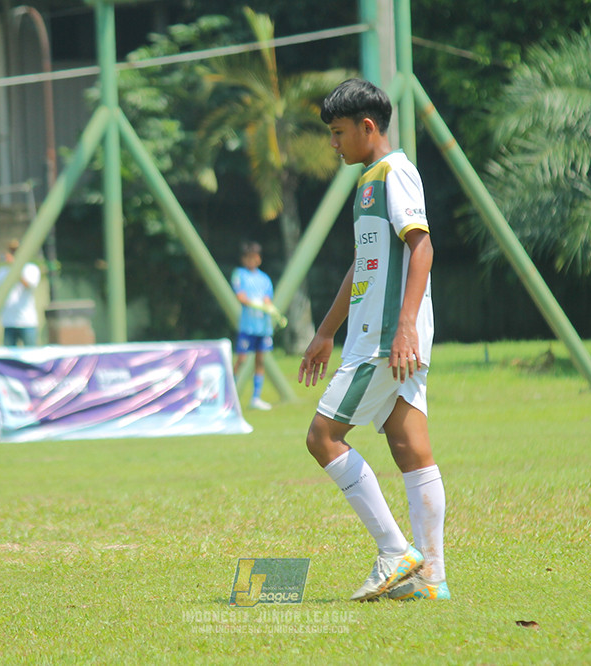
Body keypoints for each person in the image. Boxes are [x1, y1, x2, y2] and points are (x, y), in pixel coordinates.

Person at [297, 78, 449, 602]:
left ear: (368, 127)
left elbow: (422, 246)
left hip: (386, 341)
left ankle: (394, 551)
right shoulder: (369, 180)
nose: (334, 144)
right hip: (382, 336)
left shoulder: (395, 173)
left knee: (322, 437)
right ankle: (431, 578)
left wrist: (404, 325)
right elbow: (364, 265)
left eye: (339, 133)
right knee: (411, 448)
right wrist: (324, 332)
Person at [230, 241, 285, 410]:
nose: (251, 261)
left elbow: (268, 299)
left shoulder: (264, 279)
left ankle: (256, 398)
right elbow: (241, 297)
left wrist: (272, 311)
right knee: (242, 359)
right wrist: (256, 304)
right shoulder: (239, 274)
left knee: (260, 360)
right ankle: (229, 395)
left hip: (263, 327)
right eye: (248, 258)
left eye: (254, 257)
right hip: (248, 327)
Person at [0, 239, 41, 347]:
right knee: (9, 359)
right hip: (8, 322)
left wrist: (15, 267)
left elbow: (28, 285)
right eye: (11, 251)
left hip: (27, 322)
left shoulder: (31, 268)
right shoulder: (3, 271)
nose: (13, 254)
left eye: (16, 251)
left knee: (31, 357)